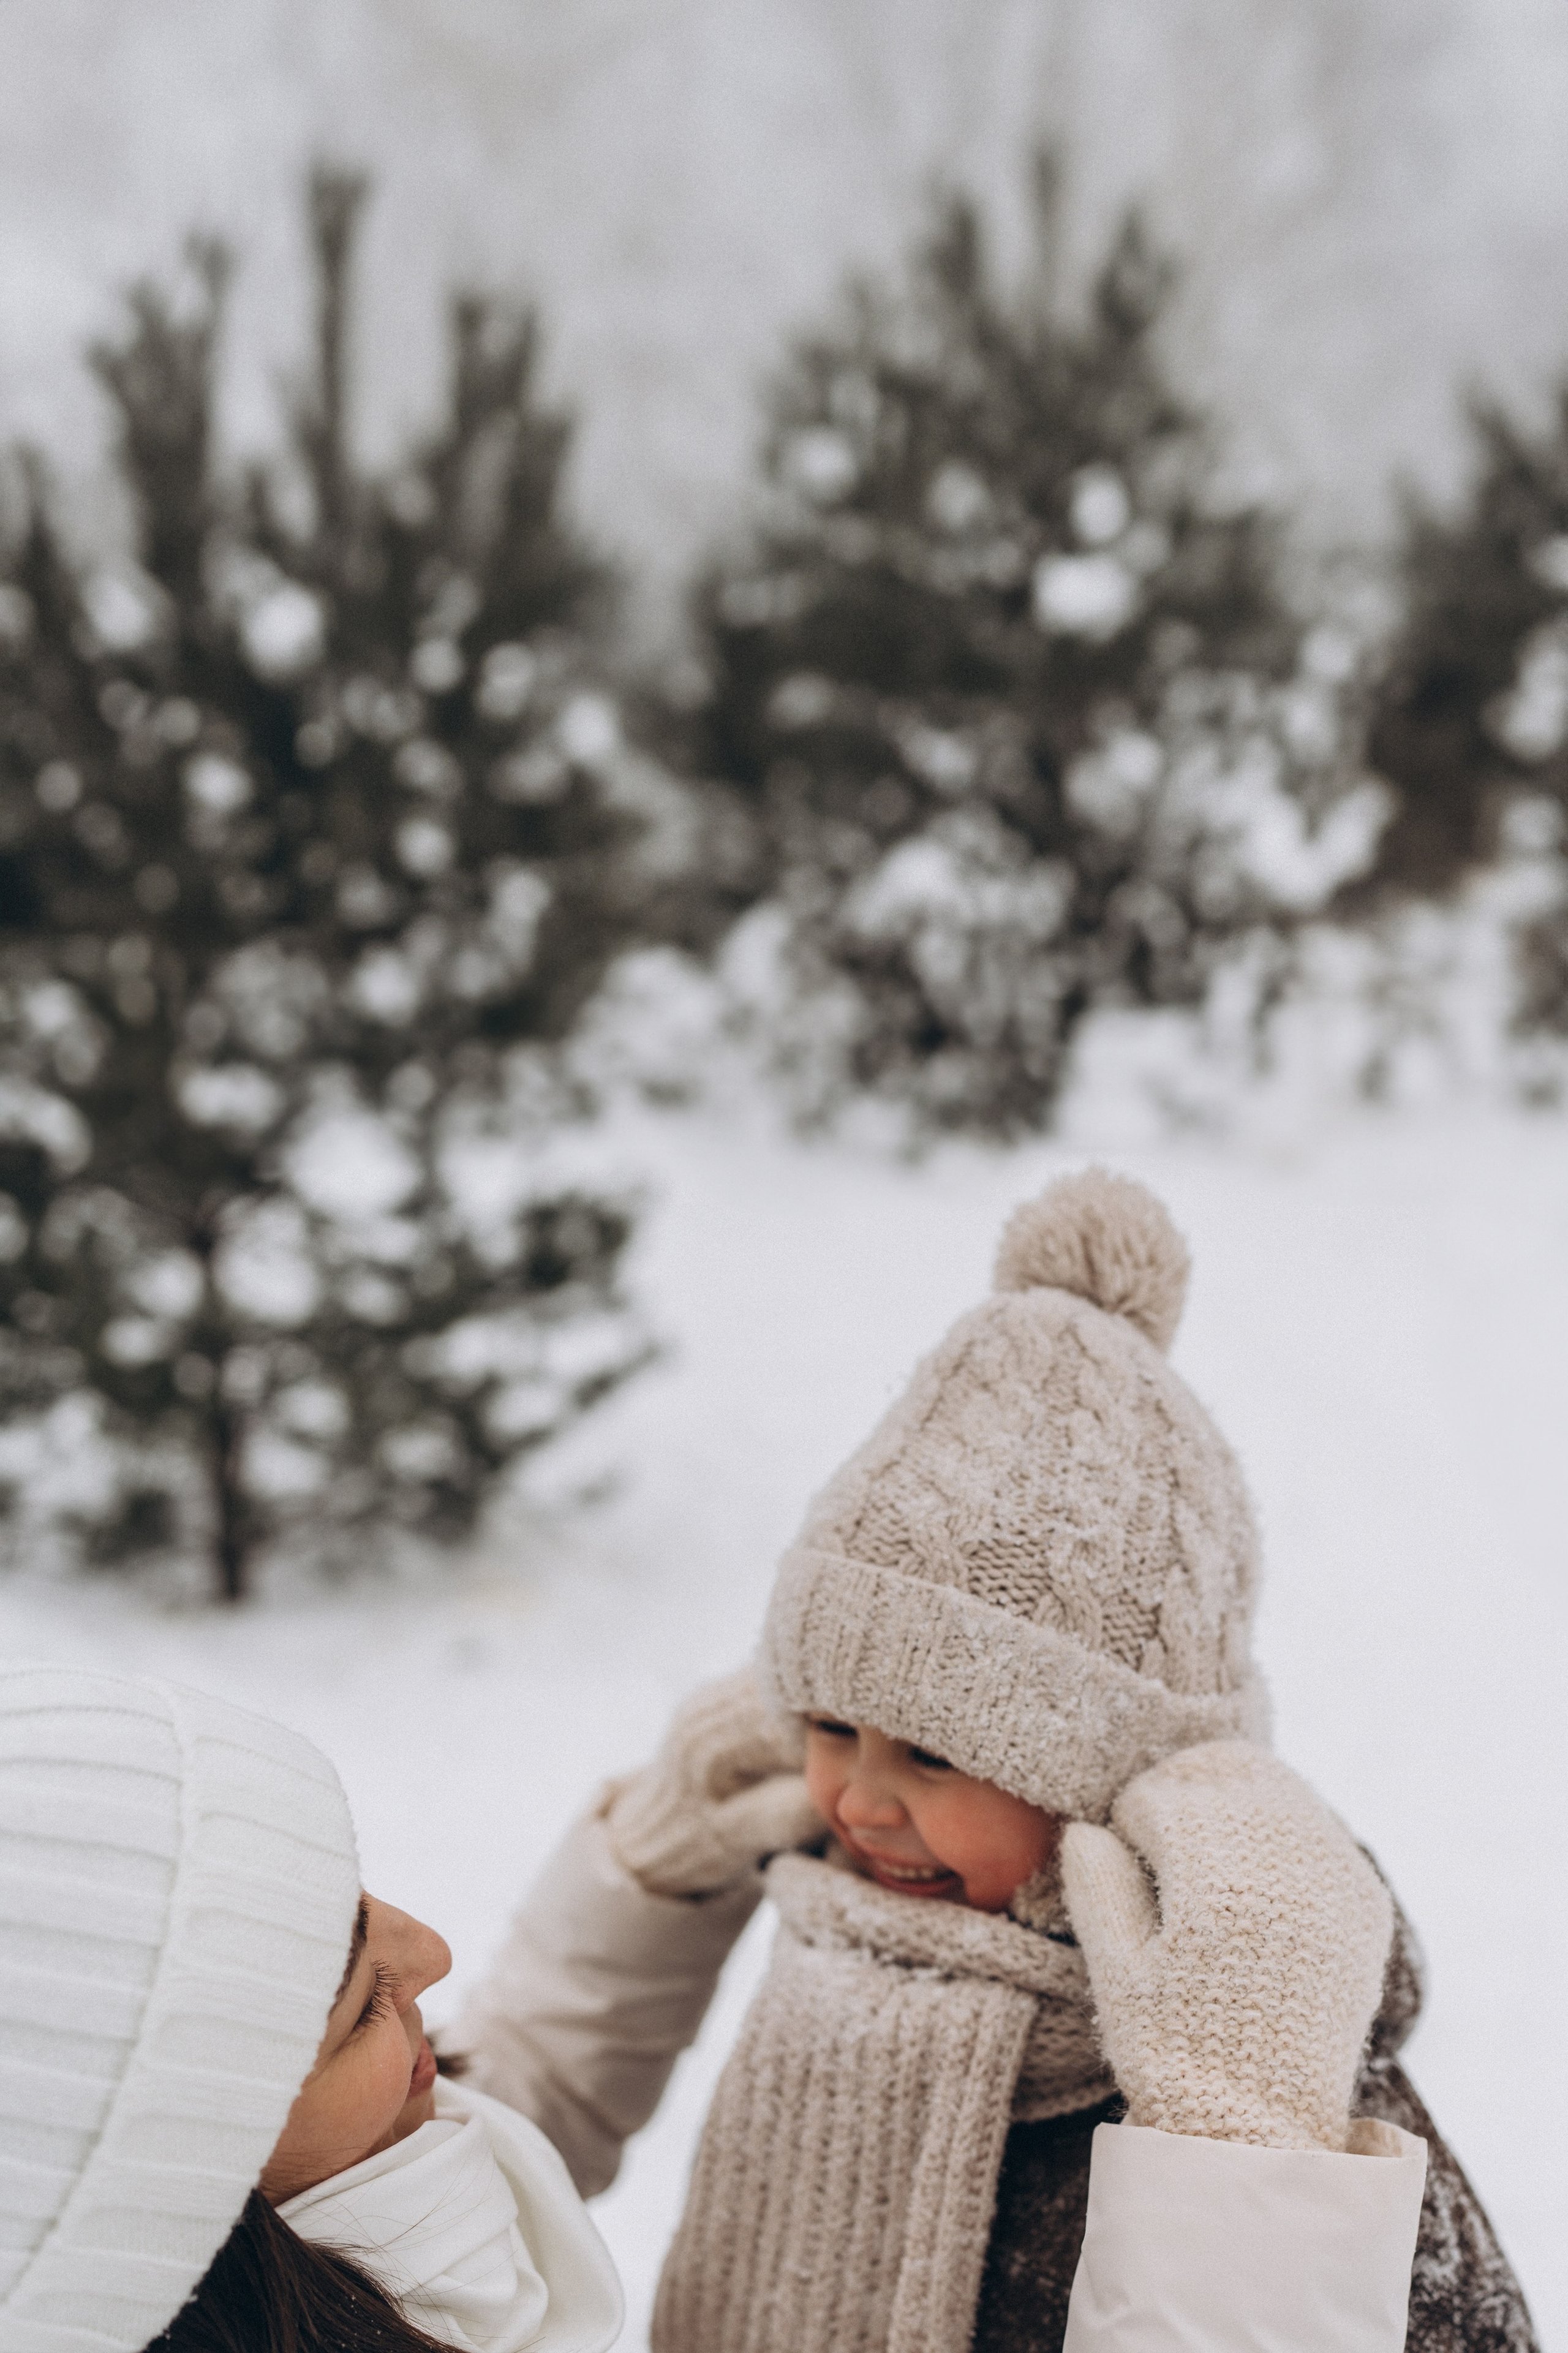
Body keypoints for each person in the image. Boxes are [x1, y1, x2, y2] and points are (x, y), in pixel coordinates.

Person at [453, 1169, 1540, 2352]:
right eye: (829, 1727)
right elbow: (469, 2190)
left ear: (1114, 1787)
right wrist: (650, 1877)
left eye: (931, 1753)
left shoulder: (1245, 2085)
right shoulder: (844, 1932)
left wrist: (1238, 2146)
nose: (860, 1801)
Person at [0, 1663, 622, 2353]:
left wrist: (646, 1866)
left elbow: (516, 2090)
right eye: (359, 2008)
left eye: (356, 1897)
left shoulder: (404, 2151)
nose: (433, 1951)